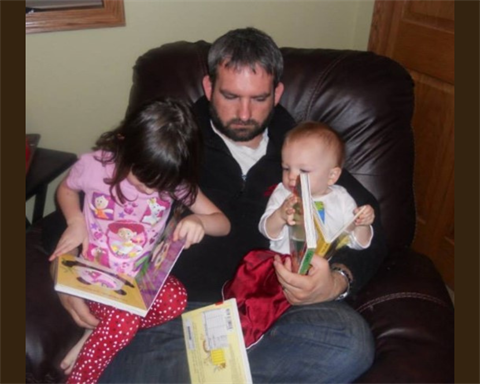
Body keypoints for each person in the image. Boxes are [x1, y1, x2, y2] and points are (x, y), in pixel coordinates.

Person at [59, 27, 387, 384]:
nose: (244, 112)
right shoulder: (172, 141)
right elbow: (83, 201)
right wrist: (61, 272)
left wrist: (337, 281)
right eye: (230, 95)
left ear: (277, 93)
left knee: (348, 343)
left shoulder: (304, 149)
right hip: (173, 313)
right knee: (119, 355)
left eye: (259, 99)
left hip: (271, 311)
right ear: (208, 87)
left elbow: (371, 220)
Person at [49, 97, 230, 384]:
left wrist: (199, 221)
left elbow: (223, 223)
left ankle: (100, 334)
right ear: (124, 144)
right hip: (94, 277)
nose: (150, 189)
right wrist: (75, 221)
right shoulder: (97, 165)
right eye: (143, 178)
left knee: (176, 300)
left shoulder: (174, 181)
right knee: (123, 321)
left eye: (161, 185)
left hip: (135, 281)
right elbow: (65, 189)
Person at [223, 121, 375, 347]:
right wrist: (280, 216)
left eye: (303, 171)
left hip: (317, 274)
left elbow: (358, 244)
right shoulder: (283, 193)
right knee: (256, 309)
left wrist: (362, 223)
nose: (292, 177)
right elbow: (267, 230)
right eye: (286, 168)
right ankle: (237, 342)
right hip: (281, 268)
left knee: (330, 332)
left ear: (332, 176)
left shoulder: (341, 199)